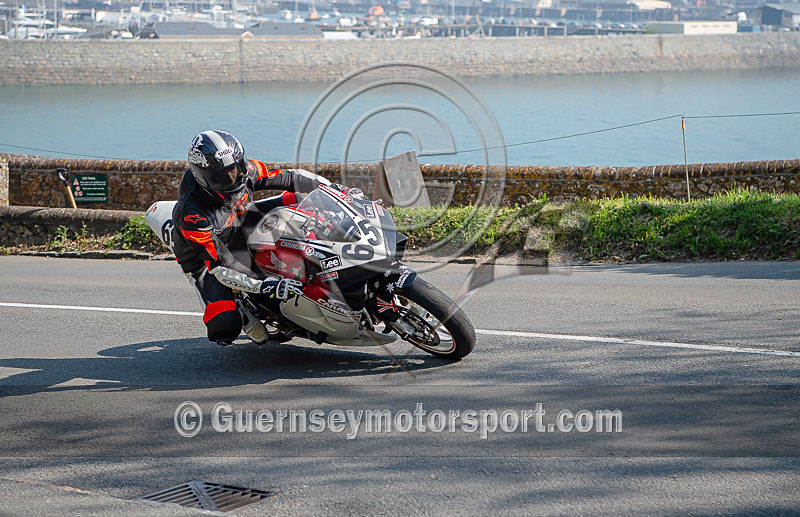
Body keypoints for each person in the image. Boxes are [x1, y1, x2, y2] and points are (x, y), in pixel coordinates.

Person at [172, 130, 331, 346]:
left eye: (234, 169)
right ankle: (243, 309)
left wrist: (332, 190)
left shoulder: (247, 170)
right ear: (202, 176)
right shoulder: (192, 214)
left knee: (300, 197)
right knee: (224, 327)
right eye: (220, 175)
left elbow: (292, 177)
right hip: (206, 258)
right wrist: (265, 284)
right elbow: (222, 265)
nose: (231, 178)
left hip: (240, 221)